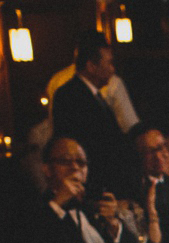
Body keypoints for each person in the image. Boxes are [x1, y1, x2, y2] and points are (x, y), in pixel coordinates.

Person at [51, 31, 135, 197]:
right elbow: (79, 143)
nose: (113, 69)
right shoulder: (69, 95)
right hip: (90, 185)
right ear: (91, 66)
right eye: (109, 63)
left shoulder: (95, 95)